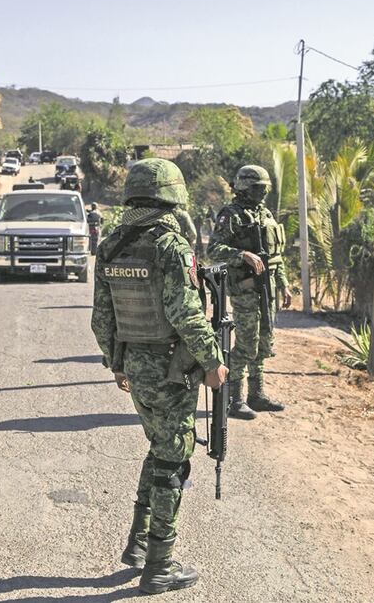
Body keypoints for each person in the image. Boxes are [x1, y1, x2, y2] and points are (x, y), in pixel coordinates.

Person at [92, 158, 227, 595]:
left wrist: (116, 362)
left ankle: (137, 545)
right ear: (172, 196)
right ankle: (159, 566)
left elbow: (101, 318)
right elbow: (185, 312)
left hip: (134, 364)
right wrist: (212, 360)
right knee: (173, 458)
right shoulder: (171, 246)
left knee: (159, 446)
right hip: (172, 367)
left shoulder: (111, 246)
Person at [207, 165, 291, 420]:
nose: (262, 193)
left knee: (264, 340)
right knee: (246, 343)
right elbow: (214, 249)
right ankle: (235, 400)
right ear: (244, 186)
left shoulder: (265, 214)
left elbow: (276, 255)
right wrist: (241, 255)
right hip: (245, 290)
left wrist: (285, 284)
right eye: (258, 188)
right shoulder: (230, 215)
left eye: (264, 188)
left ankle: (257, 395)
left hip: (269, 287)